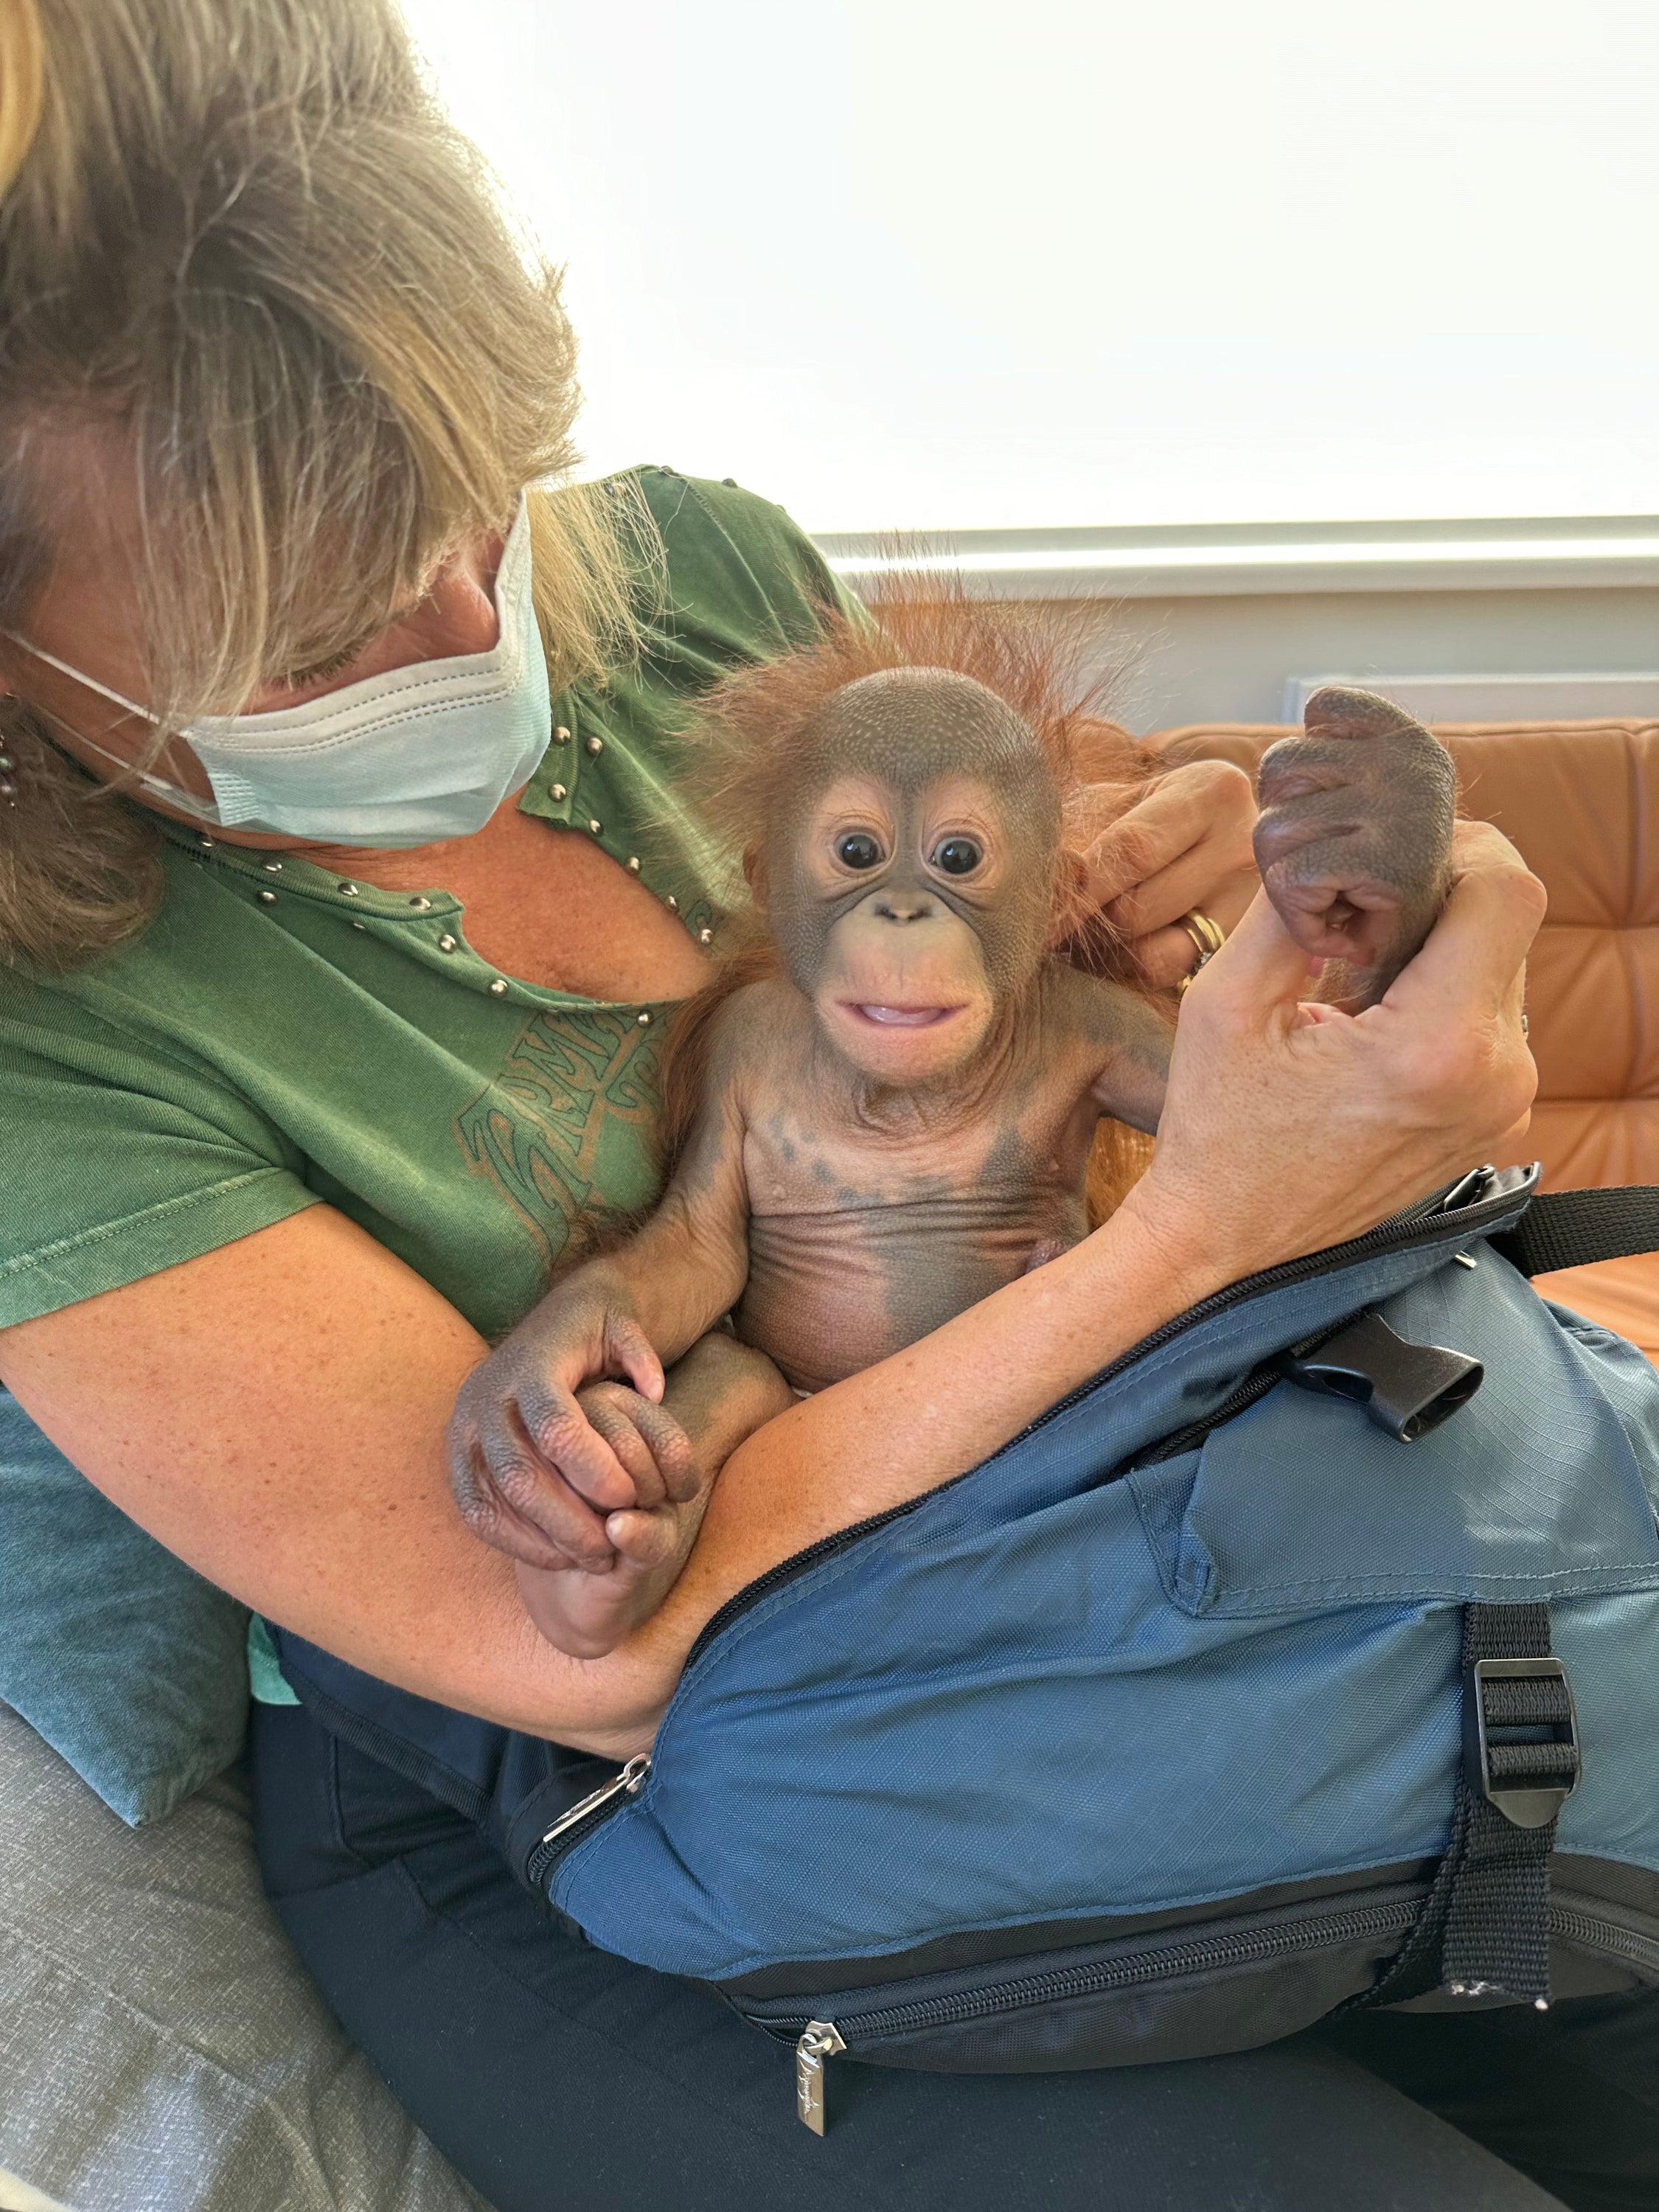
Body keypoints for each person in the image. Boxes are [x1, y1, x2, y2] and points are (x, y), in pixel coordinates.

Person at [0, 5, 1649, 2209]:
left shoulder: (696, 577)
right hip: (614, 1803)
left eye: (472, 502)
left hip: (1102, 1567)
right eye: (304, 634)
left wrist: (1161, 891)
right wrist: (1207, 1229)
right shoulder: (53, 1037)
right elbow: (596, 1650)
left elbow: (1020, 973)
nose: (457, 619)